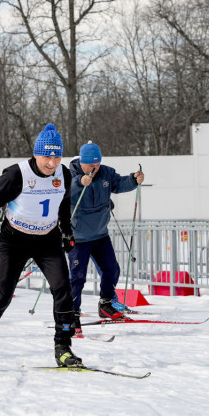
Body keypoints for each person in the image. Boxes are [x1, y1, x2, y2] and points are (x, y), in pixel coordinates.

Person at [0, 123, 81, 370]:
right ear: (36, 153)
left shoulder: (64, 175)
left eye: (57, 156)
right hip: (14, 240)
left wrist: (66, 231)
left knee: (63, 290)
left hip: (47, 240)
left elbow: (63, 205)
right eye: (47, 156)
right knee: (2, 295)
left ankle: (63, 348)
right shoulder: (17, 174)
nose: (52, 162)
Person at [68, 141, 144, 332]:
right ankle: (72, 314)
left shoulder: (106, 173)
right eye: (90, 165)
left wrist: (134, 179)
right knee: (77, 278)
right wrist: (80, 182)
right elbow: (64, 191)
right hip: (78, 237)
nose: (94, 168)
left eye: (97, 164)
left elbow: (119, 184)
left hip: (100, 234)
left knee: (112, 269)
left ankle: (106, 304)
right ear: (82, 162)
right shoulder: (70, 175)